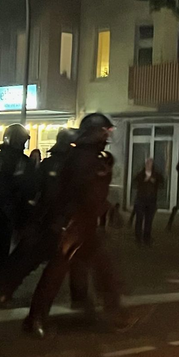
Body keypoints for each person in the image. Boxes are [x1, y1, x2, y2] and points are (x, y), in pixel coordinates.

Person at [24, 113, 136, 338]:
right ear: (94, 133)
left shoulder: (89, 157)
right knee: (56, 272)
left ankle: (114, 313)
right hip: (73, 225)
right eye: (104, 132)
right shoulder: (82, 159)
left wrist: (106, 209)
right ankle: (35, 319)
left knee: (103, 268)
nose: (107, 137)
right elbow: (82, 193)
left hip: (84, 225)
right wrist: (103, 209)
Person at [0, 128, 91, 309]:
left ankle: (78, 297)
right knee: (37, 258)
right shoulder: (65, 166)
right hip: (53, 222)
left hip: (53, 221)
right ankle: (10, 293)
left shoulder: (51, 164)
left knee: (71, 258)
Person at [0, 124, 37, 274]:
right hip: (16, 207)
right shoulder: (23, 161)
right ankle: (6, 274)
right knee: (19, 242)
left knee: (1, 240)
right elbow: (29, 187)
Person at [132, 158, 163, 245]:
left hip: (151, 200)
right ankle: (138, 237)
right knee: (139, 219)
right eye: (147, 164)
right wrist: (143, 181)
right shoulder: (140, 174)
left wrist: (155, 182)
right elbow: (134, 183)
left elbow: (162, 184)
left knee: (149, 220)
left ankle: (147, 238)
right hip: (141, 200)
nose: (148, 165)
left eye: (150, 164)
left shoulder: (156, 174)